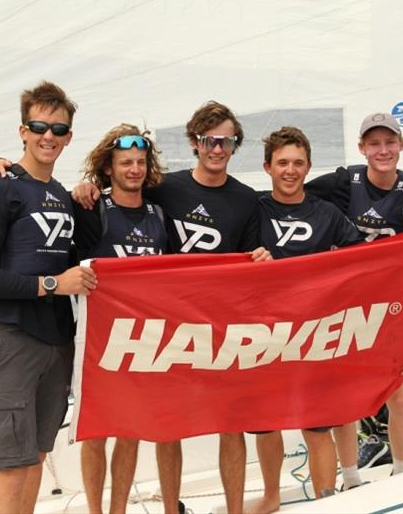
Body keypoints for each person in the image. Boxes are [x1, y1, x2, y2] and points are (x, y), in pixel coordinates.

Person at [73, 101, 271, 514]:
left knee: (227, 424)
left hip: (215, 326)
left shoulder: (245, 200)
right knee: (143, 429)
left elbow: (255, 261)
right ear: (195, 143)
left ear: (235, 145)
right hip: (138, 332)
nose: (217, 148)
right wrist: (82, 188)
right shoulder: (166, 190)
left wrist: (261, 259)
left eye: (226, 141)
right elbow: (106, 196)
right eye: (208, 140)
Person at [0, 81, 97, 514]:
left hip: (57, 340)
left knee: (37, 457)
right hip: (11, 336)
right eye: (39, 126)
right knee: (9, 466)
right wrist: (55, 285)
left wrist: (86, 200)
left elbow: (87, 260)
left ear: (69, 138)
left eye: (58, 130)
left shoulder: (62, 196)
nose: (48, 136)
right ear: (22, 130)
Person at [304, 112, 403, 491]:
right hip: (344, 307)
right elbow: (293, 198)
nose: (382, 150)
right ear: (362, 148)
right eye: (374, 143)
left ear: (401, 145)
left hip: (391, 309)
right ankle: (351, 479)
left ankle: (402, 475)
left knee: (399, 396)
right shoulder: (339, 184)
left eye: (390, 142)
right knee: (345, 398)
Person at [248, 126, 365, 513]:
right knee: (265, 425)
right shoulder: (253, 210)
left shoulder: (328, 214)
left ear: (309, 166)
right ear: (267, 167)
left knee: (317, 425)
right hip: (263, 333)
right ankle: (271, 497)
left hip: (314, 335)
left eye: (298, 163)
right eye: (282, 162)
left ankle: (326, 503)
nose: (290, 170)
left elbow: (365, 263)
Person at [73, 124, 167, 514]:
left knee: (130, 431)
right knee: (96, 432)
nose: (134, 169)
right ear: (108, 169)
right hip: (96, 339)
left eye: (140, 162)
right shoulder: (91, 210)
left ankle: (118, 511)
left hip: (142, 339)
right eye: (125, 162)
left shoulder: (159, 214)